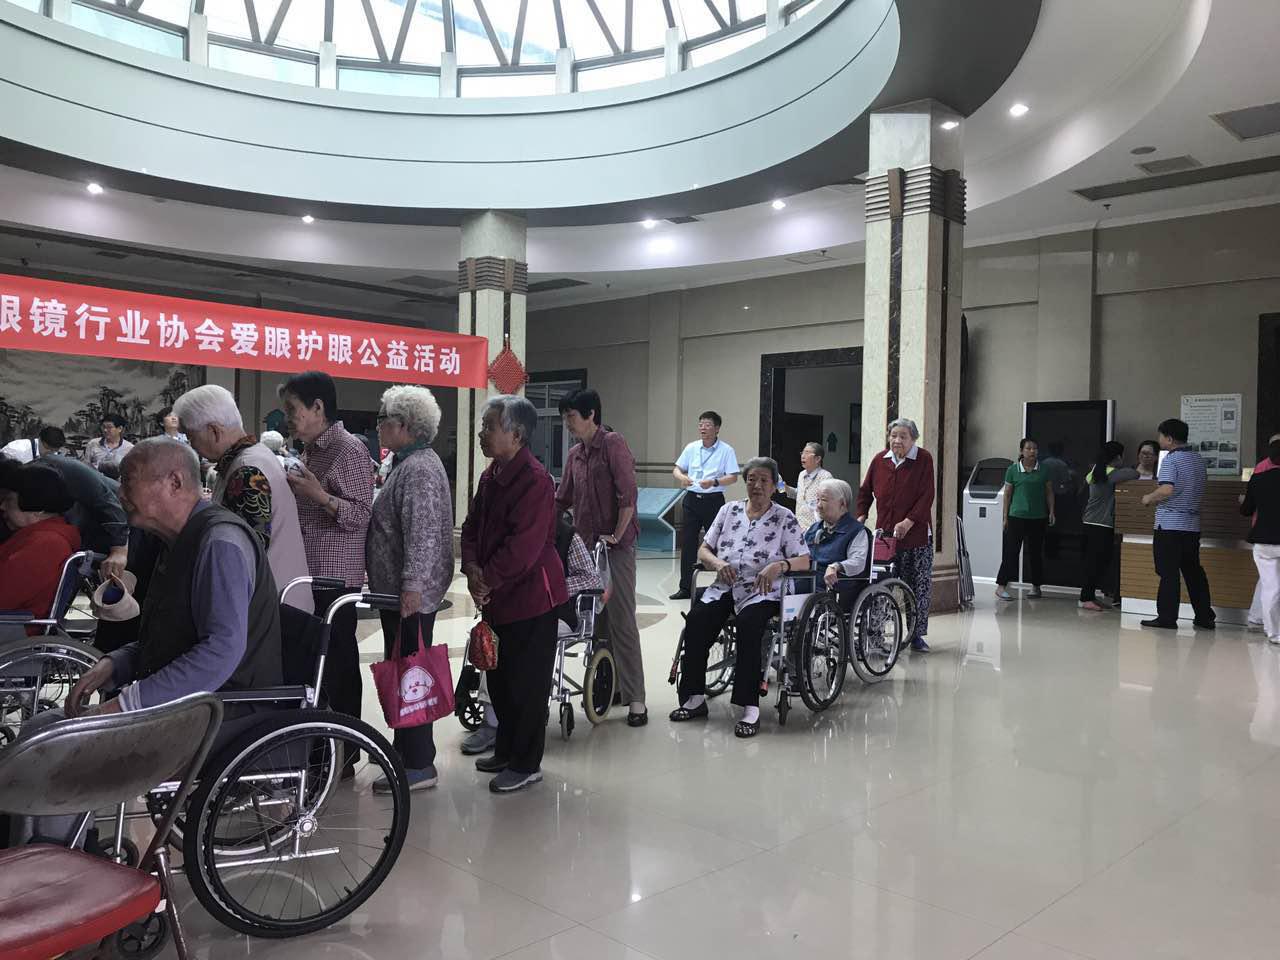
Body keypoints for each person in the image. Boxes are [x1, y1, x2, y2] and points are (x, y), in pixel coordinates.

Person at [63, 438, 282, 719]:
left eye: (128, 480)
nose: (120, 493)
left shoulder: (220, 543)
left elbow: (221, 650)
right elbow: (169, 638)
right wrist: (115, 664)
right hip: (188, 706)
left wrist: (126, 704)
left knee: (56, 736)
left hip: (225, 711)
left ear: (174, 482)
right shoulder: (175, 540)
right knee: (49, 727)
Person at [461, 395, 569, 793]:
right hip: (498, 595)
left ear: (517, 435)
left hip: (531, 598)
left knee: (526, 684)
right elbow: (471, 527)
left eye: (489, 427)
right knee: (501, 681)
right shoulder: (491, 475)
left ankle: (526, 764)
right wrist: (471, 568)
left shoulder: (536, 481)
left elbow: (523, 548)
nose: (481, 433)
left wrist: (485, 579)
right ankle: (506, 750)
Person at [669, 457, 810, 738]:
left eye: (764, 481)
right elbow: (704, 549)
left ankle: (750, 706)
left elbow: (804, 560)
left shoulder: (785, 517)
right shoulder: (728, 510)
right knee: (696, 621)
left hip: (763, 591)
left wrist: (778, 566)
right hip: (726, 585)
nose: (757, 485)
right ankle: (694, 698)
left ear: (774, 486)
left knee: (749, 626)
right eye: (751, 479)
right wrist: (718, 563)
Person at [278, 372, 374, 758]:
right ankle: (321, 749)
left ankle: (348, 751)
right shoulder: (310, 451)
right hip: (309, 575)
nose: (288, 418)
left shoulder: (348, 450)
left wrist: (319, 496)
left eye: (292, 409)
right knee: (315, 666)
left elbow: (362, 515)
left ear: (318, 408)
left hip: (336, 579)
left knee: (339, 665)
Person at [365, 386, 454, 793]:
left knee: (412, 672)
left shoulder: (418, 468)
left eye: (383, 419)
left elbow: (422, 534)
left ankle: (419, 763)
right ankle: (405, 749)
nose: (378, 426)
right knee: (403, 667)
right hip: (400, 592)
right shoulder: (407, 463)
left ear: (404, 426)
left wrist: (412, 587)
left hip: (410, 596)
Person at [461, 510, 602, 756]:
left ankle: (518, 722)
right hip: (515, 608)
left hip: (557, 612)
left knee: (520, 643)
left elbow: (591, 578)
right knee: (491, 644)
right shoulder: (512, 534)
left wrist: (552, 586)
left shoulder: (568, 536)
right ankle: (492, 720)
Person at [173, 385, 310, 611]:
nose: (192, 445)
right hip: (277, 602)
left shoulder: (247, 471)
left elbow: (239, 556)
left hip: (268, 610)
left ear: (214, 431)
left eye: (191, 436)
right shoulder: (254, 457)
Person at [556, 388, 648, 726]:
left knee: (621, 620)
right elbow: (562, 498)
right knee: (595, 622)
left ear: (591, 414)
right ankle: (611, 689)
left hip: (616, 549)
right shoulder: (575, 455)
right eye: (565, 418)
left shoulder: (613, 444)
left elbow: (628, 497)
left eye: (571, 417)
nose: (568, 424)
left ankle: (637, 699)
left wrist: (617, 535)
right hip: (586, 550)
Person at [2, 427, 131, 579]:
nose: (2, 506)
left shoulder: (60, 468)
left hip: (125, 520)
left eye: (7, 500)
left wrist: (119, 550)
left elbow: (108, 502)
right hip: (88, 531)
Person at [855, 418, 937, 651]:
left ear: (913, 439)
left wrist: (909, 522)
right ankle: (876, 636)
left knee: (917, 586)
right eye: (893, 435)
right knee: (880, 586)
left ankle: (916, 635)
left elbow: (927, 496)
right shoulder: (880, 460)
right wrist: (861, 516)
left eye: (903, 436)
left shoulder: (923, 459)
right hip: (885, 537)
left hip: (916, 537)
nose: (897, 440)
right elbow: (865, 491)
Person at [1140, 418, 1214, 630]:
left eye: (1160, 435)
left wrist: (1148, 498)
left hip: (1170, 525)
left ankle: (1167, 617)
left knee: (1168, 573)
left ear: (1169, 439)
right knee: (1193, 572)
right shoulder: (1198, 459)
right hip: (1192, 526)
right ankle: (1204, 616)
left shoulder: (1171, 460)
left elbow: (1167, 489)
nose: (1159, 439)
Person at [0, 461, 80, 629]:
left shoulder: (46, 545)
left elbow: (4, 596)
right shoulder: (44, 537)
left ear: (37, 507)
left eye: (9, 500)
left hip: (11, 630)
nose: (2, 506)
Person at [671, 411, 740, 601]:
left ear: (717, 428)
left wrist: (714, 482)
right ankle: (685, 587)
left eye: (707, 424)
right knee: (688, 544)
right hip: (692, 499)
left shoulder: (726, 450)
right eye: (701, 424)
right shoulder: (691, 447)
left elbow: (733, 477)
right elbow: (677, 469)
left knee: (718, 544)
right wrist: (682, 477)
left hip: (714, 501)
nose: (703, 428)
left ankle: (722, 586)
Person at [1079, 441, 1138, 611]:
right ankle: (1085, 598)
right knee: (1096, 563)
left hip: (1090, 522)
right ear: (1118, 457)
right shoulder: (1112, 474)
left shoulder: (1096, 471)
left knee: (1095, 562)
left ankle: (1089, 596)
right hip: (1101, 524)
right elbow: (1134, 473)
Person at [994, 438, 1055, 603]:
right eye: (1028, 448)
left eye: (1035, 448)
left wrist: (1051, 511)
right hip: (1016, 517)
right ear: (1021, 451)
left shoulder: (1044, 470)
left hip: (1038, 517)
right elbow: (1007, 495)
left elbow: (1049, 492)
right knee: (1011, 552)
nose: (1032, 451)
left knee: (1035, 553)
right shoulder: (1013, 470)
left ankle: (1036, 586)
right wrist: (1005, 517)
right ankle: (1001, 587)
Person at [1241, 437, 1280, 644]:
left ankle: (1273, 632)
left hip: (1263, 540)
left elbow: (1246, 509)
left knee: (1270, 587)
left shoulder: (1258, 478)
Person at [804, 478, 871, 595]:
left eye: (824, 500)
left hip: (832, 588)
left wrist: (836, 566)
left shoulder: (856, 531)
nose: (818, 506)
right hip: (806, 581)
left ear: (842, 504)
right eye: (817, 499)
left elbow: (858, 562)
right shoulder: (813, 528)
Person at [785, 442, 834, 532]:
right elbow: (800, 495)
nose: (803, 456)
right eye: (802, 453)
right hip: (799, 526)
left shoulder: (826, 477)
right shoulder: (801, 474)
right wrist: (785, 487)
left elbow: (829, 504)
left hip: (815, 528)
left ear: (817, 459)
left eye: (807, 453)